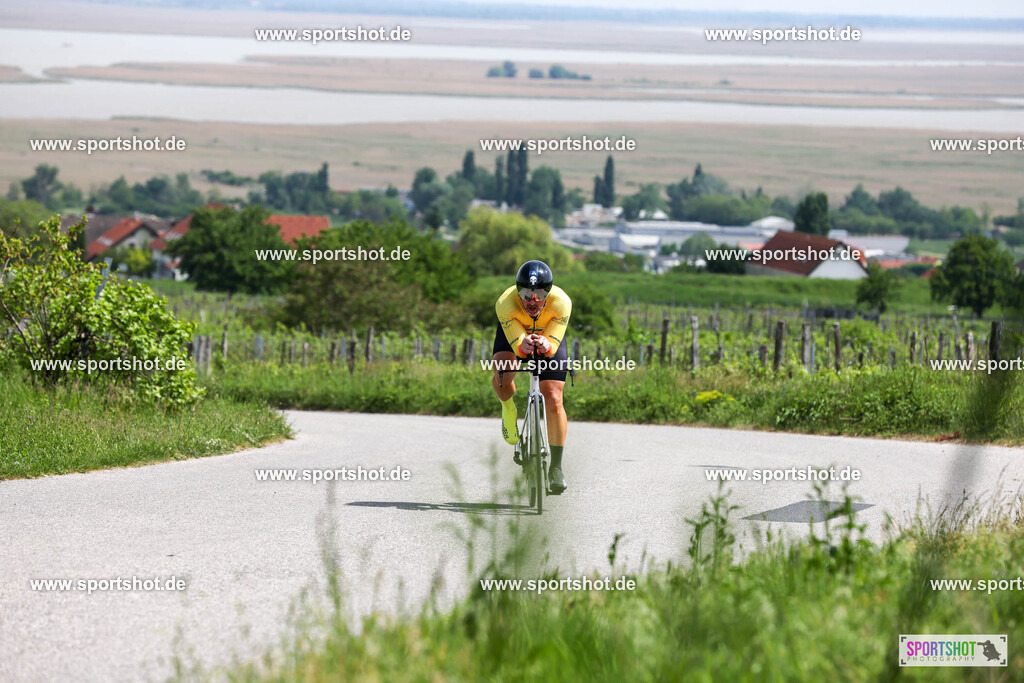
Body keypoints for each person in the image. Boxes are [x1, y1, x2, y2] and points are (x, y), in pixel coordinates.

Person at [491, 260, 572, 494]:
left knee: (554, 396)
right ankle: (508, 408)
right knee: (502, 376)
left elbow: (552, 348)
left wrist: (547, 343)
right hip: (514, 331)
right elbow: (519, 348)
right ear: (518, 292)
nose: (532, 300)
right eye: (526, 294)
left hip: (548, 332)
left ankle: (556, 467)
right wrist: (522, 344)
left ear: (549, 292)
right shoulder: (505, 304)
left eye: (539, 293)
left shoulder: (562, 302)